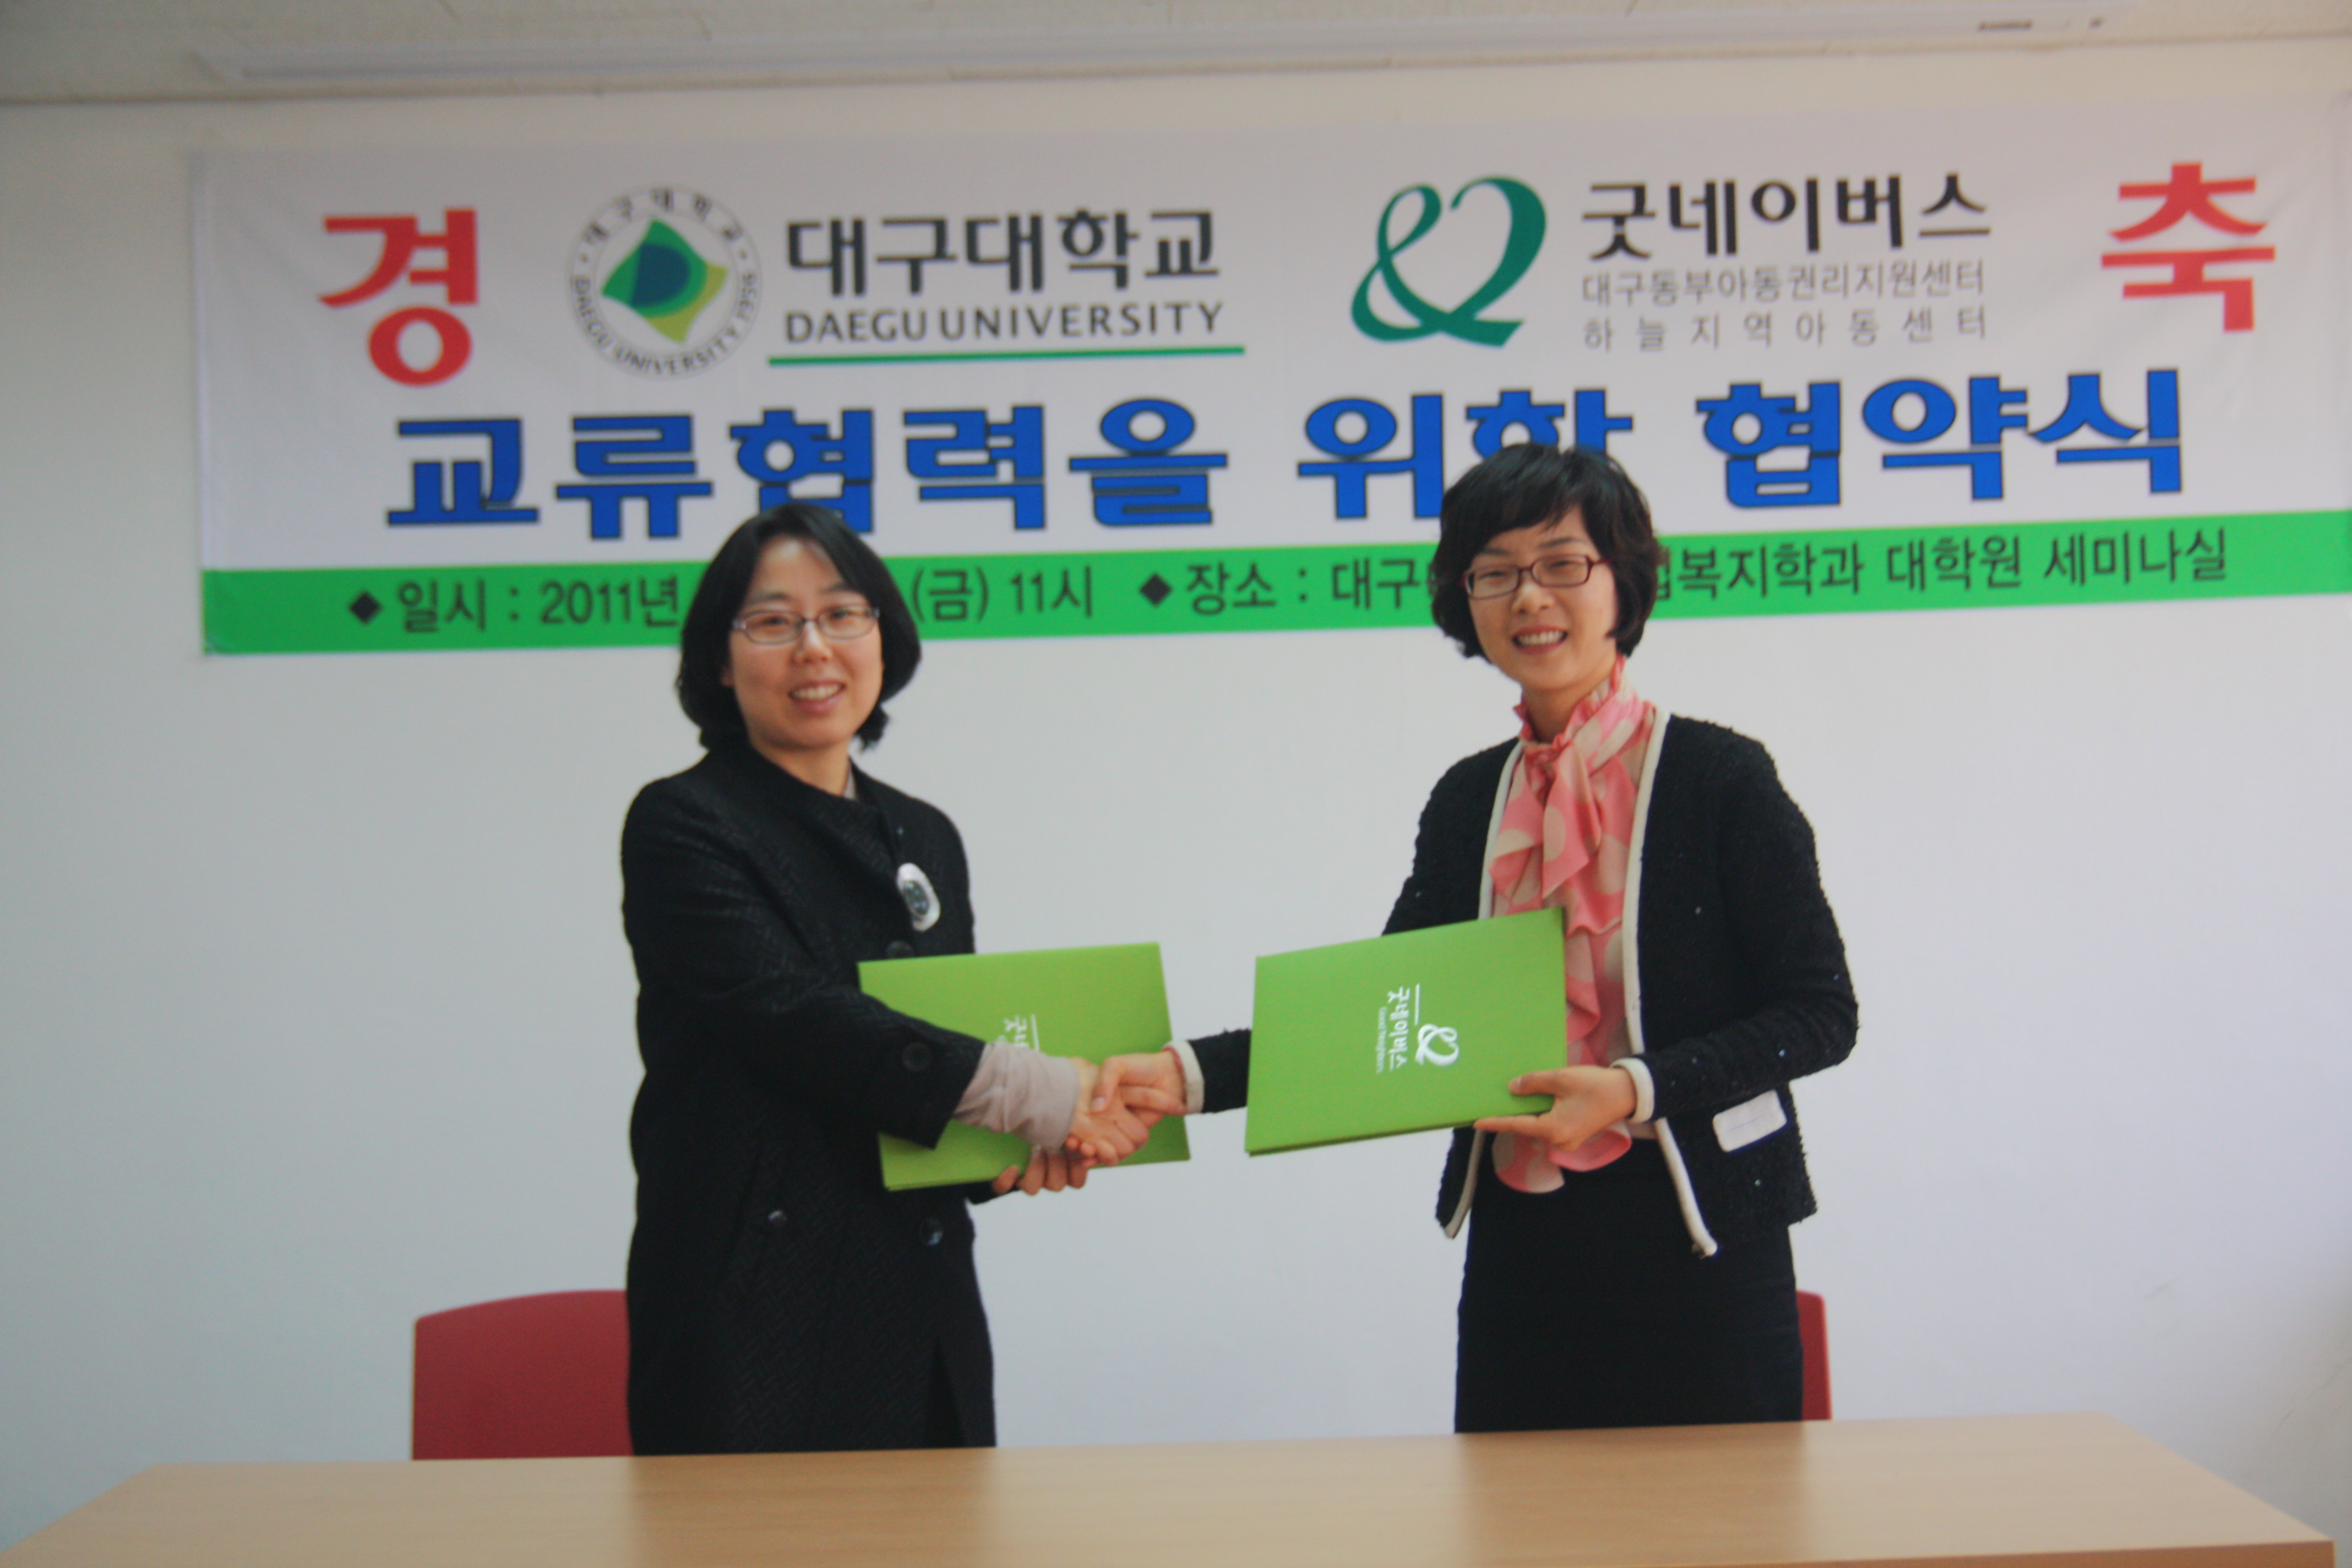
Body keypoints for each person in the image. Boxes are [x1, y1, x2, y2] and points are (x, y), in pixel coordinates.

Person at [1098, 444, 1858, 1430]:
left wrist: (1635, 1089)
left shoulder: (1722, 777)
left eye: (1562, 563)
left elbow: (1820, 1013)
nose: (1530, 596)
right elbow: (1379, 1017)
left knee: (1724, 1513)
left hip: (1704, 1241)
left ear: (1623, 581)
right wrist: (1185, 1076)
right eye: (1495, 572)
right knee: (1517, 1512)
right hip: (1524, 1248)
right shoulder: (1469, 799)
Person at [620, 502, 1169, 1455]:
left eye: (843, 614)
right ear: (720, 659)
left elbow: (941, 1040)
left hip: (918, 1287)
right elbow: (791, 1016)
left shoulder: (924, 833)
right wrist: (1034, 1094)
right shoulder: (684, 822)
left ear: (884, 637)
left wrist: (1019, 1148)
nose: (814, 648)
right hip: (750, 1301)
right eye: (773, 621)